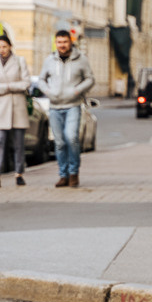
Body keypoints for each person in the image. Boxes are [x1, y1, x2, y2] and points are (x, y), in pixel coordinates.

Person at [38, 30, 95, 188]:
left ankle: (74, 173)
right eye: (59, 42)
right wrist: (48, 91)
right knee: (60, 143)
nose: (62, 45)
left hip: (72, 106)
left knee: (71, 138)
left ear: (70, 42)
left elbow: (90, 79)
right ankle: (63, 175)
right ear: (55, 43)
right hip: (55, 106)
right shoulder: (49, 60)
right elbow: (41, 79)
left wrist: (77, 90)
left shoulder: (81, 59)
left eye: (65, 42)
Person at [0, 35, 30, 188]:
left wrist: (5, 86)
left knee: (18, 144)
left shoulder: (19, 61)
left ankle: (19, 173)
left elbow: (26, 83)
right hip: (1, 108)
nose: (1, 50)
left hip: (17, 107)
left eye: (4, 47)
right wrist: (10, 86)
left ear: (10, 46)